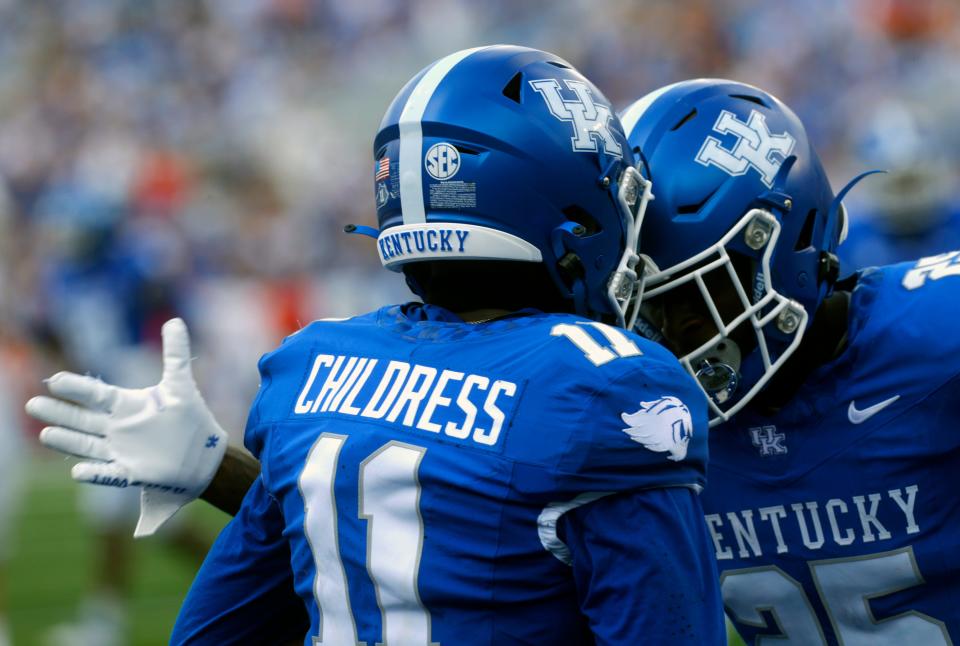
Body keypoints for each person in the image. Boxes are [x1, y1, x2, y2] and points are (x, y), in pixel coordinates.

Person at [28, 46, 724, 644]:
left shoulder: (312, 365)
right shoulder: (604, 386)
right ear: (565, 213)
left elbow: (214, 631)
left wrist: (226, 473)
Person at [620, 78, 960, 643]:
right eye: (639, 312)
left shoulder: (935, 334)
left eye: (690, 300)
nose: (668, 338)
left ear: (782, 250)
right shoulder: (642, 431)